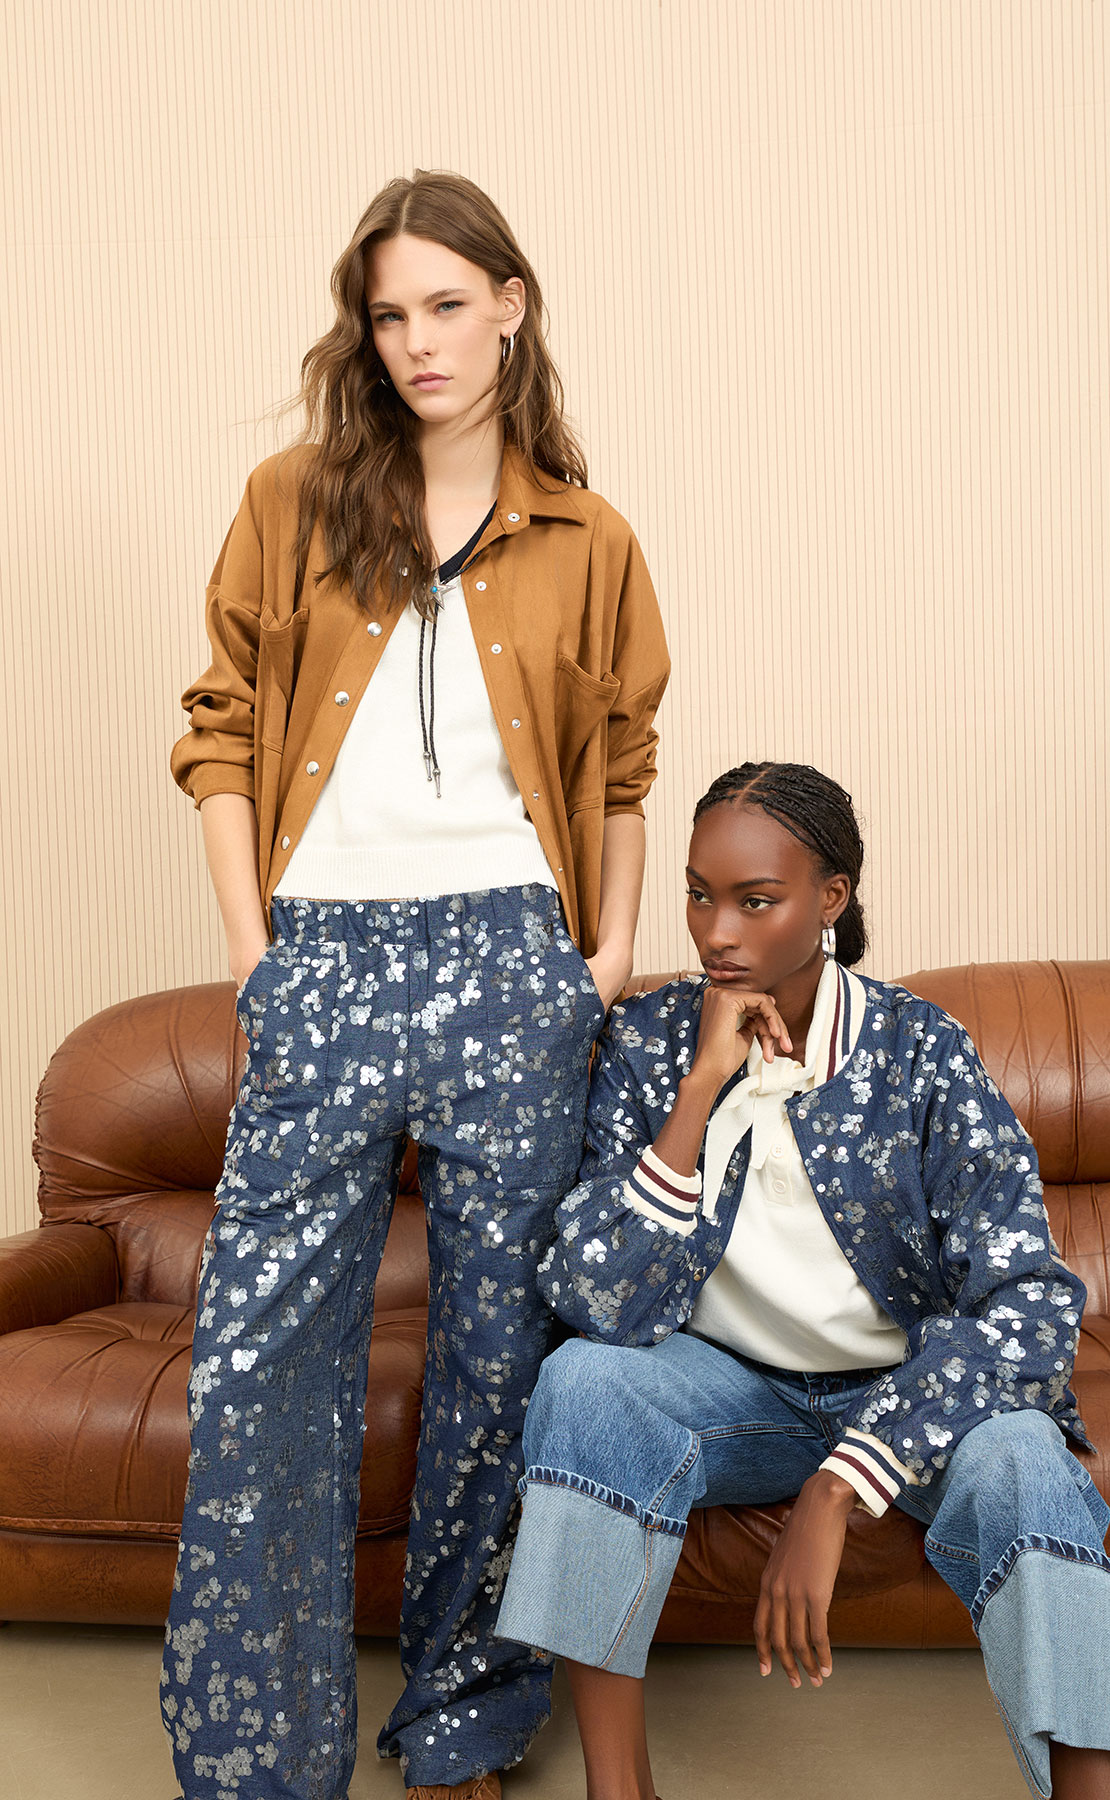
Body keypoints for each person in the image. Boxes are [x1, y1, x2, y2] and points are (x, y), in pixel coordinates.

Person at [162, 169, 670, 1800]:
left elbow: (623, 772)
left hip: (513, 961)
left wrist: (604, 956)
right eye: (390, 314)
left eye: (448, 304)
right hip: (323, 956)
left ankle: (464, 1720)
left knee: (500, 1361)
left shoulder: (589, 537)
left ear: (512, 304)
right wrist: (254, 961)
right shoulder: (292, 501)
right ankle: (260, 1756)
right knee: (258, 1363)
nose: (419, 342)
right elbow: (220, 732)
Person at [496, 761, 1110, 1800]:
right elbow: (593, 1301)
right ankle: (619, 1791)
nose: (717, 933)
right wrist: (700, 1090)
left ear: (831, 900)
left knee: (1026, 1459)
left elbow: (1030, 1305)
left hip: (904, 1393)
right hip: (728, 1392)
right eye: (699, 895)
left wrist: (842, 1480)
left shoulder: (919, 1052)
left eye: (756, 901)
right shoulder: (650, 1041)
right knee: (583, 1383)